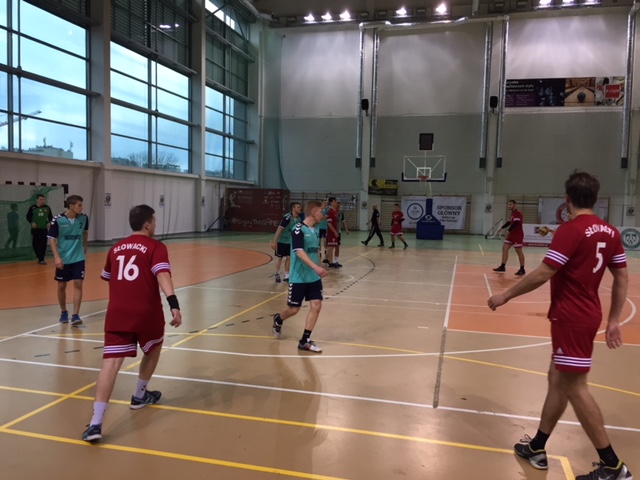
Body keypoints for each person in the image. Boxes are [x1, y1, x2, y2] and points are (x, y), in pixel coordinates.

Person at [487, 171, 632, 480]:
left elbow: (544, 272)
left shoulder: (571, 230)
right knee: (557, 378)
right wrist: (614, 319)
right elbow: (622, 276)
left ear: (567, 199)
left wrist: (506, 295)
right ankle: (537, 447)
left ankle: (613, 466)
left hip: (571, 318)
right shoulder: (610, 231)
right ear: (595, 198)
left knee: (576, 387)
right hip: (587, 314)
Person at [82, 204, 182, 443]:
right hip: (146, 312)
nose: (155, 225)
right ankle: (139, 396)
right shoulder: (156, 247)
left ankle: (95, 424)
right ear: (147, 224)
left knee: (110, 364)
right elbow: (162, 274)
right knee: (154, 348)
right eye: (154, 221)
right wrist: (174, 304)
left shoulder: (115, 248)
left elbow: (109, 277)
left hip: (117, 313)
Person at [271, 200, 328, 353]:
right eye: (321, 212)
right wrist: (316, 267)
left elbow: (314, 251)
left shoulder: (316, 230)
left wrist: (319, 267)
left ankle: (305, 340)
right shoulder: (298, 230)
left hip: (313, 277)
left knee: (317, 305)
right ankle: (278, 319)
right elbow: (299, 252)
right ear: (314, 212)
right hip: (299, 278)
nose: (322, 215)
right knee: (294, 309)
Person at [48, 195, 89, 325]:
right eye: (79, 205)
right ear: (71, 206)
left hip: (78, 257)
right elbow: (52, 239)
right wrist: (57, 257)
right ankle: (63, 311)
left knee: (78, 284)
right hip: (64, 258)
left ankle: (76, 315)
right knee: (61, 285)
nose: (82, 208)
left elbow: (85, 232)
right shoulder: (58, 220)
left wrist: (85, 246)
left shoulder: (84, 218)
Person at [270, 202, 302, 283]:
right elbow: (280, 229)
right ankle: (277, 273)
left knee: (289, 257)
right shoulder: (287, 218)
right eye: (298, 207)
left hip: (291, 241)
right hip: (282, 240)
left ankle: (287, 275)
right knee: (279, 257)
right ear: (293, 208)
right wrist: (275, 242)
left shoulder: (300, 218)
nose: (300, 208)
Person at [493, 199, 526, 275]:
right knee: (505, 248)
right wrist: (502, 228)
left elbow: (516, 223)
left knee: (519, 252)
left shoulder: (518, 213)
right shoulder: (512, 214)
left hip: (517, 235)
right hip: (511, 235)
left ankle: (522, 269)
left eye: (511, 204)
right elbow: (509, 222)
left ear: (515, 205)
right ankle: (503, 266)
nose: (509, 206)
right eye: (508, 204)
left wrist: (508, 230)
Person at [26, 193, 53, 264]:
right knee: (35, 243)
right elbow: (28, 217)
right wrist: (32, 222)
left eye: (43, 200)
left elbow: (50, 217)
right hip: (35, 229)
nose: (42, 201)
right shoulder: (32, 208)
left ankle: (42, 259)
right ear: (37, 200)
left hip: (44, 228)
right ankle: (39, 257)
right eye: (41, 199)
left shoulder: (47, 207)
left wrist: (49, 222)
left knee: (43, 243)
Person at [325, 196, 341, 268]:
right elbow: (329, 223)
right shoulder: (330, 212)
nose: (336, 202)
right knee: (331, 247)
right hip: (331, 232)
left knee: (332, 246)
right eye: (335, 201)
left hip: (335, 231)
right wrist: (334, 232)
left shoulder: (335, 211)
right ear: (331, 202)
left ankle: (327, 260)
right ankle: (331, 262)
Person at [334, 201, 349, 267]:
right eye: (337, 205)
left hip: (338, 231)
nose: (339, 207)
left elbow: (343, 221)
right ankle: (329, 260)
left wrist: (346, 229)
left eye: (339, 206)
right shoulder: (332, 212)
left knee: (337, 246)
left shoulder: (341, 213)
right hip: (332, 232)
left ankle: (336, 261)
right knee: (330, 247)